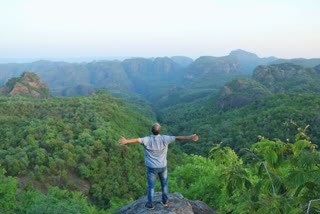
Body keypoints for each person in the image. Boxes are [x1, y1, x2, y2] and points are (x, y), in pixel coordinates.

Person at [118, 122, 199, 210]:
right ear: (159, 131)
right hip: (162, 166)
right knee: (164, 184)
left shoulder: (147, 140)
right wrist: (190, 137)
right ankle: (165, 201)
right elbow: (178, 138)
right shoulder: (165, 138)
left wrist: (126, 141)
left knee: (151, 186)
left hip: (151, 167)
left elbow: (136, 140)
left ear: (151, 131)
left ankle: (150, 204)